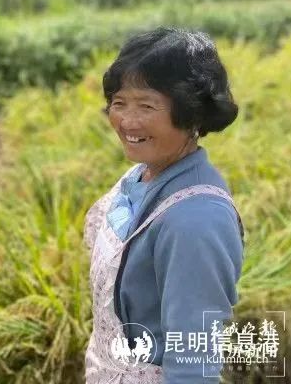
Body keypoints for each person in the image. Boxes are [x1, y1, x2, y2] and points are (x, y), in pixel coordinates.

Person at [83, 28, 244, 383]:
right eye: (120, 102)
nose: (127, 121)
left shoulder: (195, 220)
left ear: (192, 115)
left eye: (146, 105)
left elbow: (193, 364)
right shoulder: (140, 176)